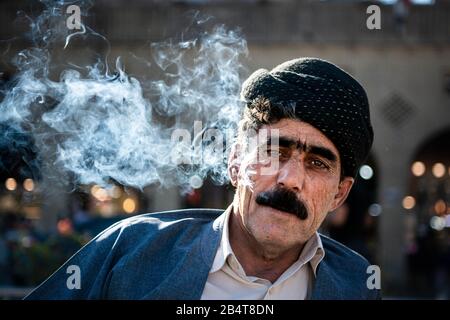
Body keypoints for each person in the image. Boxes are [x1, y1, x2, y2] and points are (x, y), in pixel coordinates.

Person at [25, 57, 379, 300]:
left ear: (339, 194)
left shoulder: (356, 284)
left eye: (317, 163)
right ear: (237, 159)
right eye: (274, 151)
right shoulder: (130, 252)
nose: (289, 179)